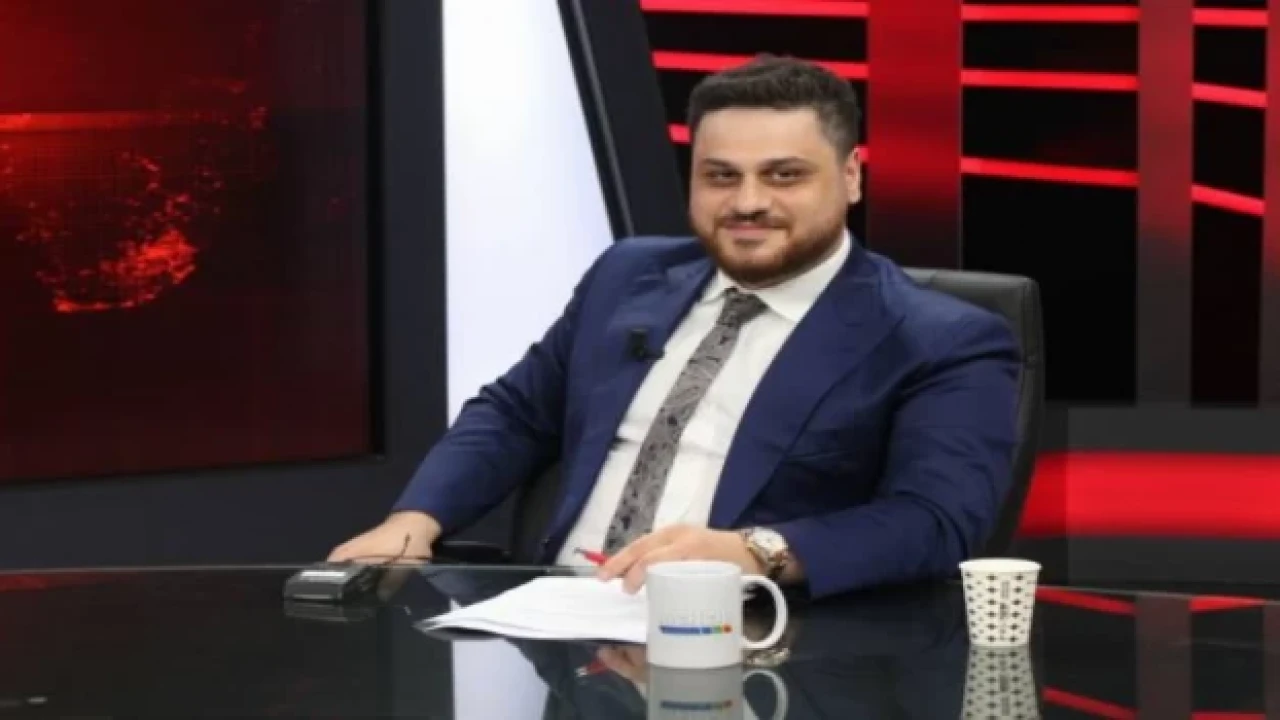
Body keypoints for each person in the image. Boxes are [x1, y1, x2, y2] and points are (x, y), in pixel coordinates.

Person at [330, 55, 1021, 599]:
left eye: (784, 176)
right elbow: (515, 413)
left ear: (851, 177)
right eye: (720, 176)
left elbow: (934, 521)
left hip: (764, 650)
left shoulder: (940, 339)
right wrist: (414, 520)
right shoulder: (626, 276)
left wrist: (753, 552)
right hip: (557, 625)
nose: (747, 202)